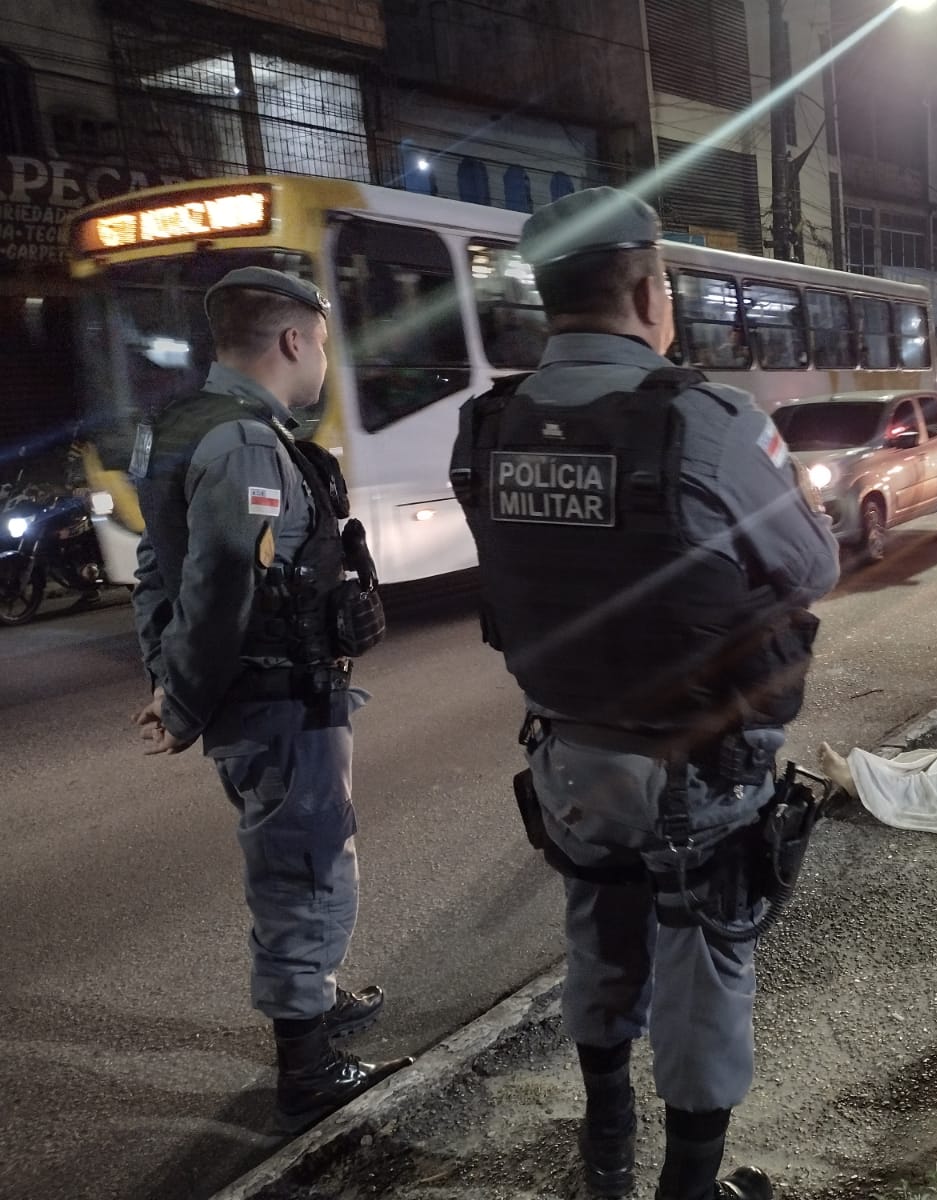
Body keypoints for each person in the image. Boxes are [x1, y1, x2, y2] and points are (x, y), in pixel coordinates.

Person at [451, 187, 839, 1200]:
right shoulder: (708, 422)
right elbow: (813, 567)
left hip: (569, 758)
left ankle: (607, 1158)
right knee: (703, 965)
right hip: (697, 762)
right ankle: (688, 1188)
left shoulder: (488, 426)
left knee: (599, 938)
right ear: (647, 290)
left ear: (548, 297)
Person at [127, 267, 409, 1131]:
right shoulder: (246, 445)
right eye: (320, 341)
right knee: (307, 867)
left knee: (299, 856)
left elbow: (155, 568)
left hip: (262, 698)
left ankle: (315, 1000)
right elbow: (218, 591)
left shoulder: (182, 426)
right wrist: (181, 700)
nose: (323, 357)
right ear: (292, 340)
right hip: (278, 698)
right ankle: (308, 1070)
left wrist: (166, 675)